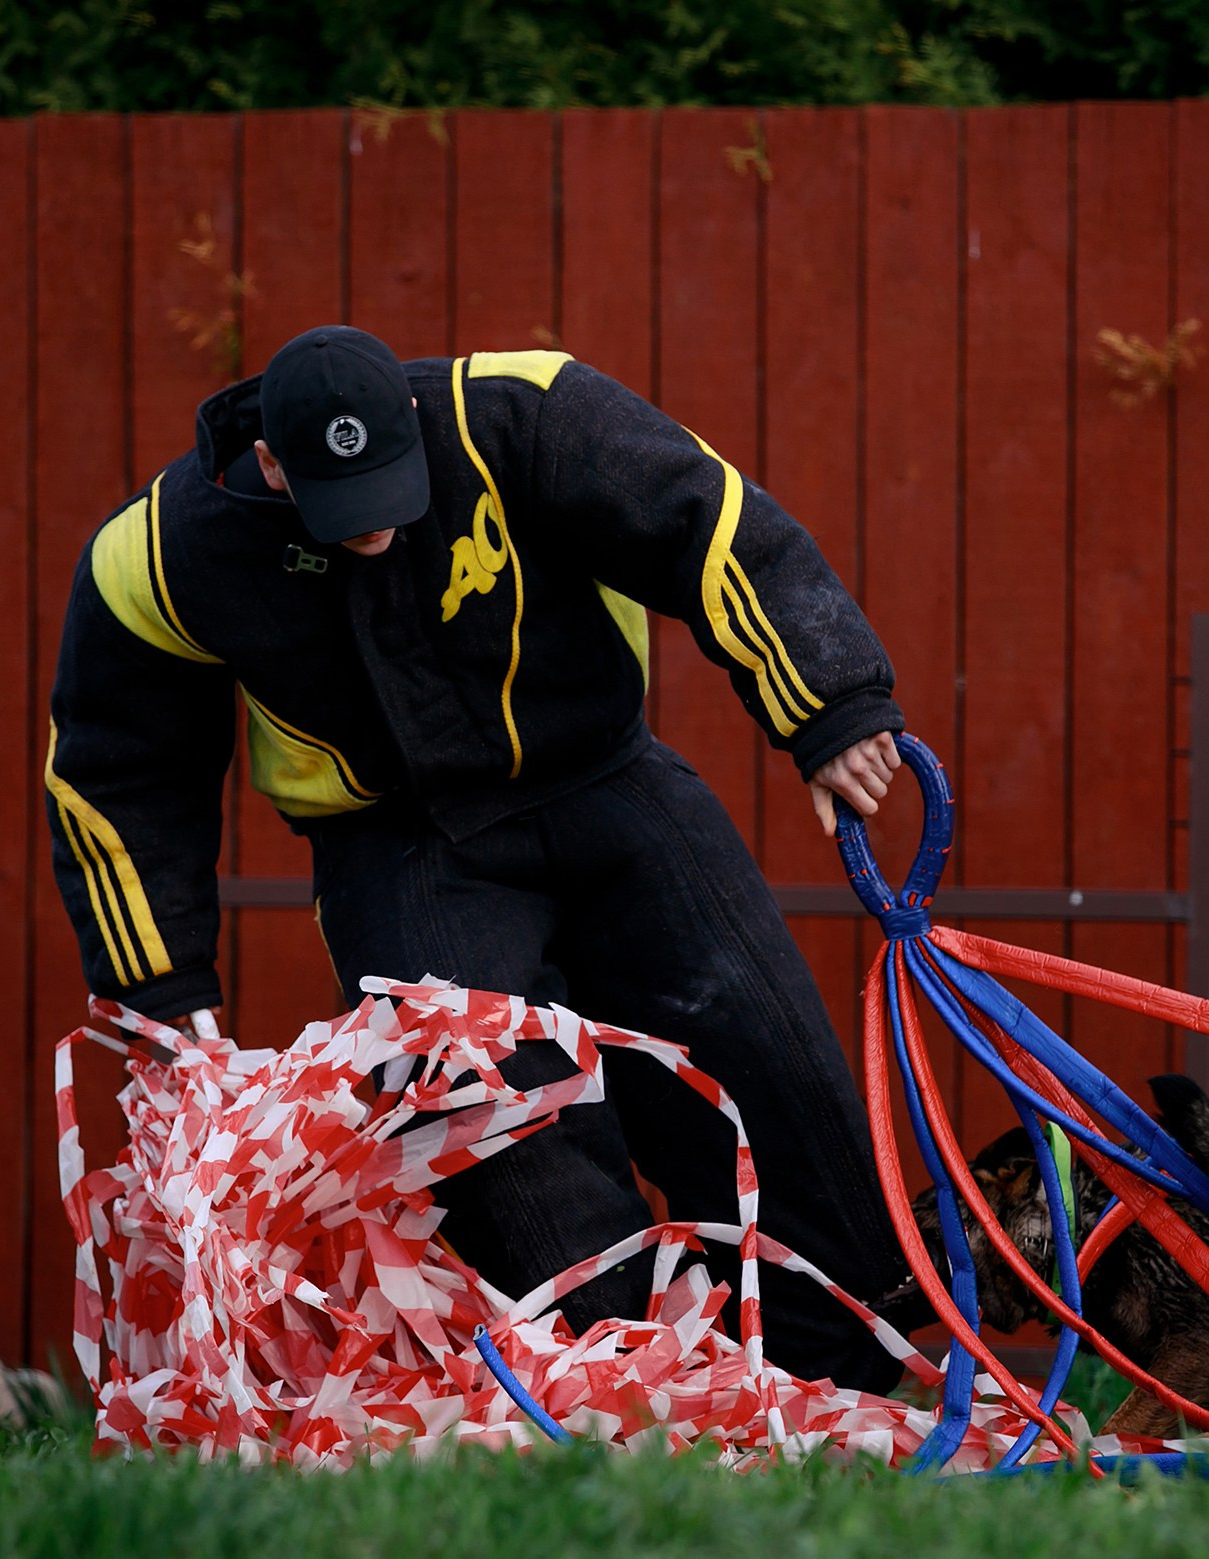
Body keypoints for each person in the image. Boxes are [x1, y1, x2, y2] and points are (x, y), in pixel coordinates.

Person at [46, 326, 910, 1389]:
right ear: (271, 465)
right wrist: (159, 990)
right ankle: (613, 1399)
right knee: (506, 1143)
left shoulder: (526, 412)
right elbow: (118, 771)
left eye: (389, 503)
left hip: (609, 781)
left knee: (771, 1065)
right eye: (339, 514)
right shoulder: (159, 557)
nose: (372, 538)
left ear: (410, 420)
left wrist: (828, 707)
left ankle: (840, 1388)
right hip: (399, 849)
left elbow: (710, 520)